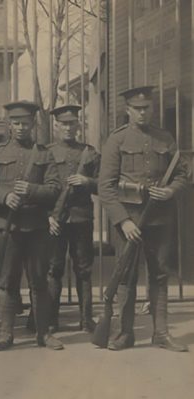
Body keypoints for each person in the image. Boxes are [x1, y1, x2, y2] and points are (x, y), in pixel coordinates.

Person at [98, 86, 189, 352]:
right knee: (125, 276)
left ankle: (160, 333)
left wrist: (171, 189)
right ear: (127, 110)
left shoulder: (165, 138)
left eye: (146, 107)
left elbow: (183, 174)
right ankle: (125, 333)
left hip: (160, 220)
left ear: (152, 108)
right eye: (137, 108)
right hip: (129, 221)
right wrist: (123, 221)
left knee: (160, 275)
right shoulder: (116, 140)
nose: (142, 112)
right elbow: (106, 187)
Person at [0, 101, 64, 350]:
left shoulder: (44, 153)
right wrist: (5, 197)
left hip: (36, 228)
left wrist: (32, 190)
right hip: (8, 228)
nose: (21, 127)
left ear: (33, 124)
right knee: (6, 281)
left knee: (38, 280)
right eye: (16, 123)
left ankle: (43, 333)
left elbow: (56, 189)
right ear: (10, 125)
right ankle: (5, 333)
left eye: (26, 123)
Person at [46, 104, 100, 333]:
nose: (68, 128)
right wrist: (47, 216)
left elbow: (105, 185)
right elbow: (41, 188)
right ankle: (50, 320)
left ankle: (86, 319)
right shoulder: (46, 151)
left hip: (81, 218)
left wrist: (87, 182)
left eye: (72, 123)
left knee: (84, 270)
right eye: (63, 123)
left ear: (78, 124)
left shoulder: (90, 152)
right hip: (55, 219)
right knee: (53, 269)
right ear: (55, 125)